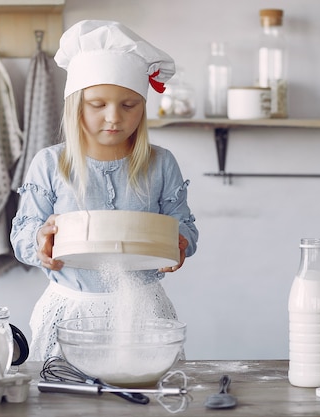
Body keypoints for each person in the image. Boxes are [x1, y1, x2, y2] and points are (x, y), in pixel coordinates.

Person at [10, 20, 199, 361]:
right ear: (76, 105)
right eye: (98, 105)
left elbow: (182, 223)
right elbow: (24, 232)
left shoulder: (161, 163)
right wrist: (40, 240)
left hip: (144, 311)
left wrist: (180, 242)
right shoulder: (50, 163)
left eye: (129, 105)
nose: (114, 117)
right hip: (70, 312)